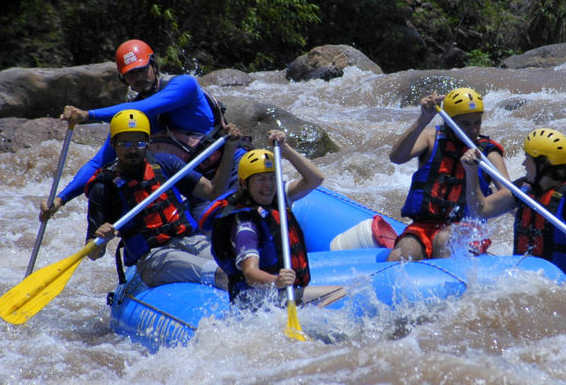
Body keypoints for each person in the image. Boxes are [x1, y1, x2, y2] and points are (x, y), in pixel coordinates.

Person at [40, 39, 242, 223]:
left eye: (142, 69)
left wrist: (89, 115)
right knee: (196, 229)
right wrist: (60, 199)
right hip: (201, 186)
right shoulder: (132, 119)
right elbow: (98, 163)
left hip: (233, 167)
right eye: (131, 74)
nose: (138, 78)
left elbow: (146, 108)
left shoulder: (184, 85)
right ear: (124, 79)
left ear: (154, 65)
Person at [85, 109, 243, 289]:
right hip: (154, 256)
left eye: (139, 142)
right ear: (113, 143)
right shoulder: (104, 187)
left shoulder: (164, 163)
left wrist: (230, 148)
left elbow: (213, 192)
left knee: (239, 267)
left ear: (148, 142)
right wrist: (102, 238)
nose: (133, 149)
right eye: (125, 142)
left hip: (191, 240)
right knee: (221, 273)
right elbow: (93, 253)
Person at [200, 131, 344, 308]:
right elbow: (250, 274)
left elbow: (315, 179)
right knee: (340, 293)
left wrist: (285, 149)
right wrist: (277, 280)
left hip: (279, 292)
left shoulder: (277, 199)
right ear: (244, 183)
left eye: (271, 178)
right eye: (260, 179)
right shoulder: (245, 225)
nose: (268, 185)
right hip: (258, 300)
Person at [461, 128, 566, 287]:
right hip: (526, 279)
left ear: (543, 164)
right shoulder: (524, 187)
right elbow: (481, 210)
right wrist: (471, 172)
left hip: (563, 285)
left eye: (528, 159)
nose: (523, 164)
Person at [387, 87, 509, 261]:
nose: (473, 130)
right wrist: (423, 120)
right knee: (401, 253)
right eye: (465, 124)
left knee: (444, 240)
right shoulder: (431, 138)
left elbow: (509, 196)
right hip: (424, 226)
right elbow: (397, 157)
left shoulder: (488, 153)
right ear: (450, 122)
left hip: (469, 229)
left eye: (477, 122)